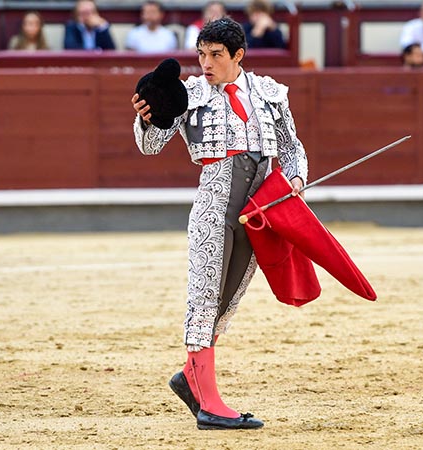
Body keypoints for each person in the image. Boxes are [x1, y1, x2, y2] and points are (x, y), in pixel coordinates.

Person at [131, 17, 307, 430]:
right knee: (205, 297)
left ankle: (190, 378)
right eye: (201, 54)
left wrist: (296, 180)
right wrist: (146, 118)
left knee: (227, 298)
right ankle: (208, 401)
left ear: (238, 56)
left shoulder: (268, 92)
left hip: (260, 210)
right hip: (215, 203)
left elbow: (293, 150)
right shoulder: (186, 94)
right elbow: (151, 146)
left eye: (215, 56)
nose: (205, 63)